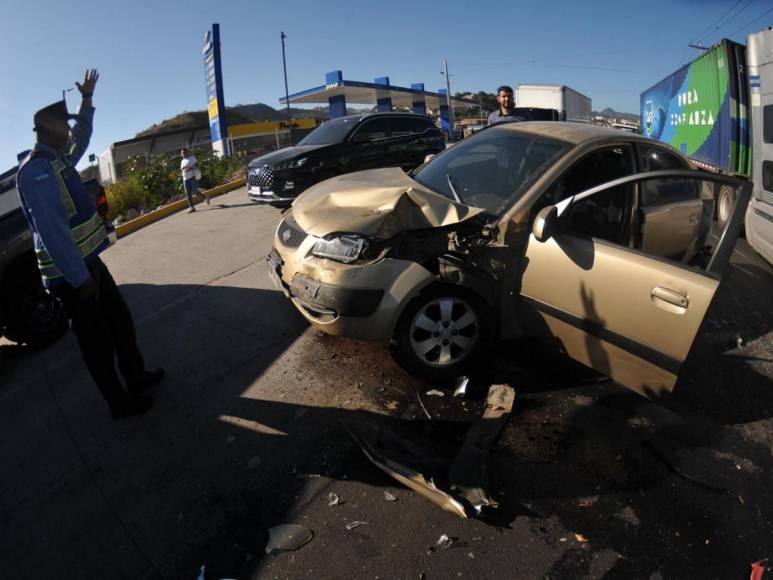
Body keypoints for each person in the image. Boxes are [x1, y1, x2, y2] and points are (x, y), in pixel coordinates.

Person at [16, 69, 164, 420]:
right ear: (51, 131)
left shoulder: (57, 158)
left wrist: (86, 99)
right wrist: (80, 278)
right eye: (64, 126)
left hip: (88, 263)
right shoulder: (36, 170)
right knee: (97, 343)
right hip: (73, 276)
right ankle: (119, 403)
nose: (70, 131)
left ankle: (136, 377)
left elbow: (83, 133)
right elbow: (52, 232)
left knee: (120, 322)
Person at [180, 148, 210, 212]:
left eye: (184, 153)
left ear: (187, 152)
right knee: (188, 193)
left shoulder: (192, 158)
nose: (183, 154)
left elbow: (197, 165)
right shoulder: (182, 161)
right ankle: (192, 207)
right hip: (185, 179)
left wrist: (190, 168)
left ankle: (205, 198)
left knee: (194, 191)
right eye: (182, 153)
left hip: (193, 177)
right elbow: (182, 169)